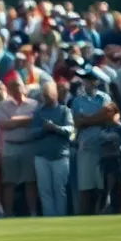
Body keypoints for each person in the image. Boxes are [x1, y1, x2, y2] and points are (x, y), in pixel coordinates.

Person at [71, 67, 116, 216]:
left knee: (101, 188)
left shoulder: (105, 98)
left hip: (102, 148)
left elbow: (108, 118)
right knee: (85, 188)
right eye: (84, 79)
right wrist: (98, 117)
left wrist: (88, 119)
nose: (84, 82)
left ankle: (99, 215)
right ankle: (84, 218)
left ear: (95, 81)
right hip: (85, 148)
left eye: (87, 79)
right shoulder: (77, 101)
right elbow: (78, 122)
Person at [0, 74, 38, 217]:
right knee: (9, 182)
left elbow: (35, 121)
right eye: (14, 87)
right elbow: (4, 124)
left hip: (29, 145)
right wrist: (25, 120)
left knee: (30, 181)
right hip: (10, 146)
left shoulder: (34, 104)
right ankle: (8, 213)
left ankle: (33, 212)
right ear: (9, 90)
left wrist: (15, 120)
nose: (18, 89)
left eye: (19, 86)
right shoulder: (2, 106)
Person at [31, 80, 75, 217]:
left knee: (59, 189)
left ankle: (60, 217)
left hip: (60, 155)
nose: (46, 97)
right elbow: (32, 132)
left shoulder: (64, 110)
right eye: (44, 95)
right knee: (45, 190)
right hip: (41, 156)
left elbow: (71, 130)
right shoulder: (38, 112)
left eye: (48, 94)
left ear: (54, 94)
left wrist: (55, 128)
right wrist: (44, 130)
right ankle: (49, 217)